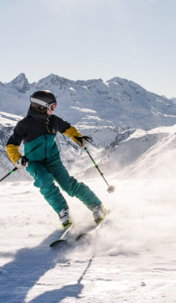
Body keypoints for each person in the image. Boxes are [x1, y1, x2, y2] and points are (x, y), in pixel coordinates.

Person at [6, 90, 106, 229]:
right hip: (34, 163)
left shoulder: (53, 121)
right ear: (41, 107)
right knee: (45, 182)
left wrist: (78, 138)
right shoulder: (25, 124)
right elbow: (11, 145)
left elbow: (68, 128)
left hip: (53, 160)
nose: (53, 110)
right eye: (52, 107)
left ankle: (96, 206)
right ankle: (63, 212)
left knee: (69, 185)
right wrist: (18, 159)